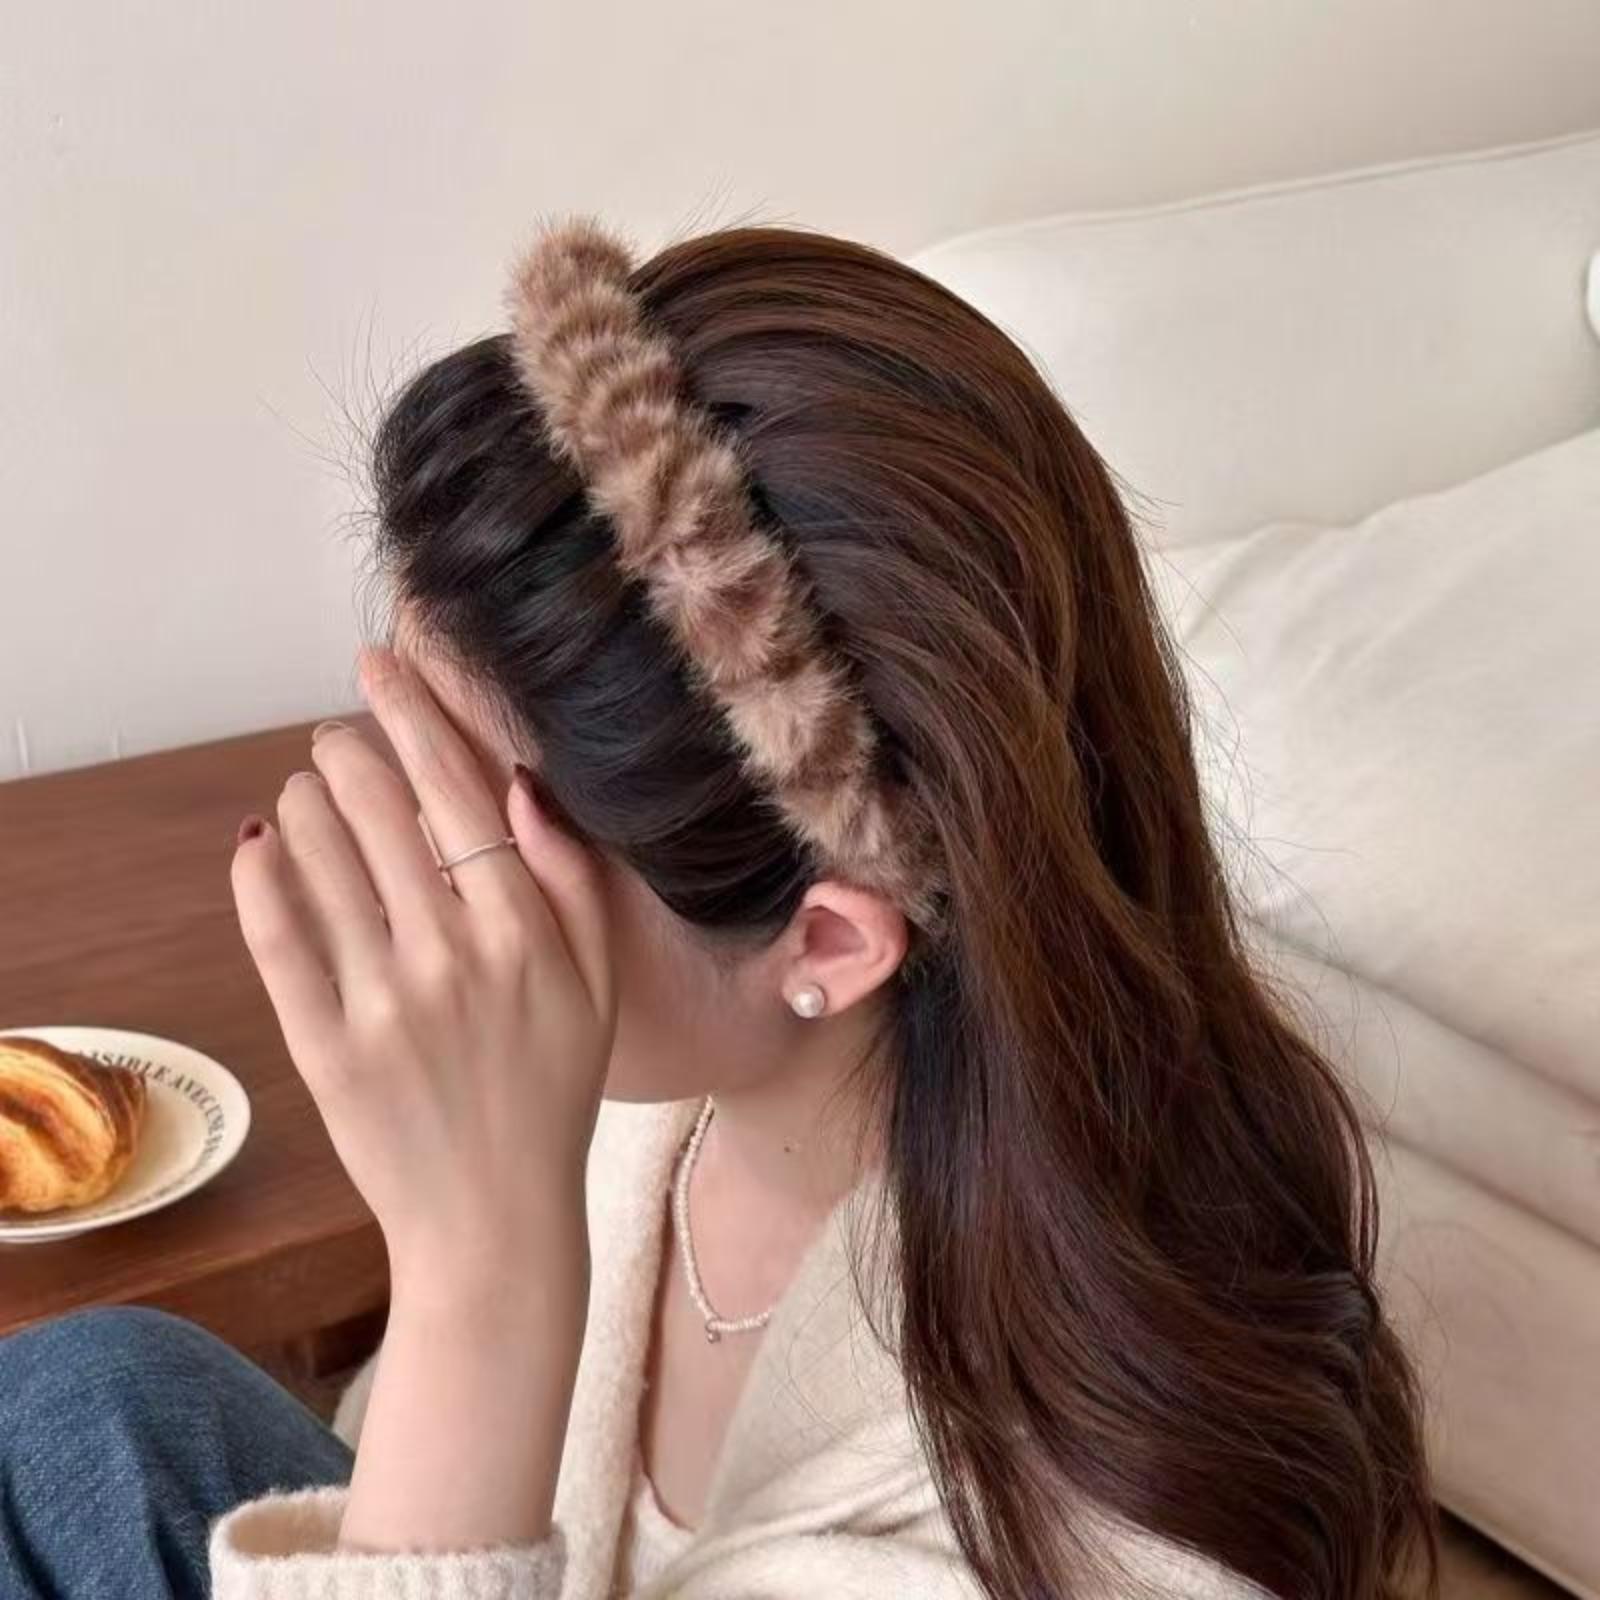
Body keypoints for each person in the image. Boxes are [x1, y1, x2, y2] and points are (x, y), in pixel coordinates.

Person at [0, 216, 1440, 1600]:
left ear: (829, 940)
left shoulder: (1100, 1542)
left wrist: (476, 1284)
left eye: (469, 833)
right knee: (97, 1402)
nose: (401, 865)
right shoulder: (663, 1103)